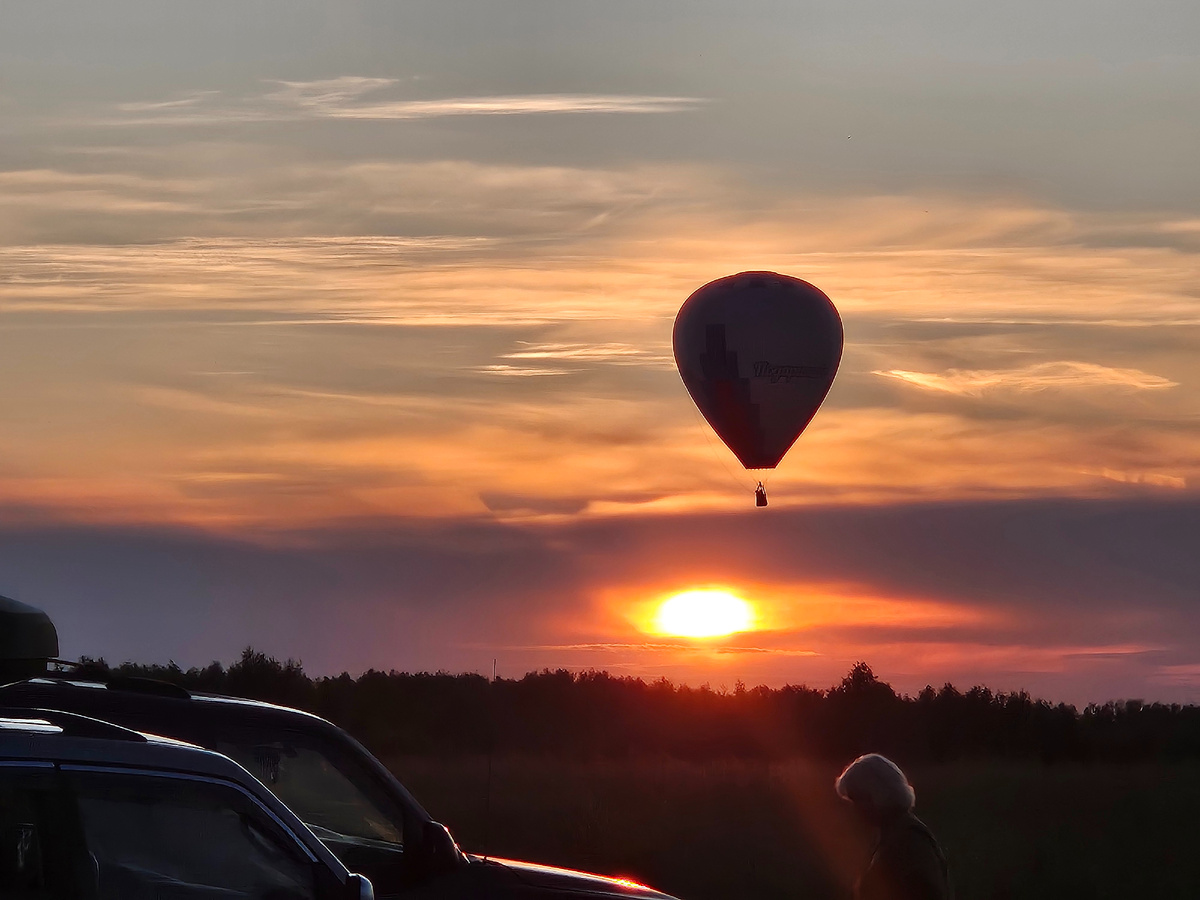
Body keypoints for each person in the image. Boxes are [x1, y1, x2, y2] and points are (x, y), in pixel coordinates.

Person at [835, 754, 952, 900]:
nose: (854, 809)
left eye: (858, 799)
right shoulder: (890, 836)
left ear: (878, 794)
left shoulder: (909, 841)